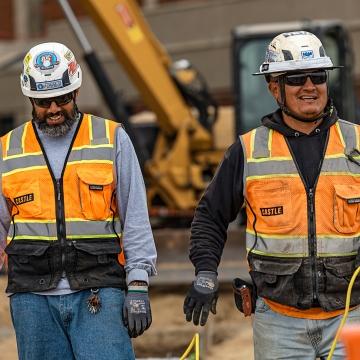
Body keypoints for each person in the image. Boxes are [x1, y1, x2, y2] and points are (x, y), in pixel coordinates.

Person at [183, 31, 360, 359]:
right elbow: (211, 216)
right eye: (296, 79)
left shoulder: (357, 143)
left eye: (317, 76)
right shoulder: (248, 151)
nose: (309, 86)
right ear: (274, 87)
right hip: (278, 321)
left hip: (351, 315)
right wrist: (206, 272)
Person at [0, 42, 157, 360]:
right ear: (30, 97)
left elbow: (135, 215)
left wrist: (138, 284)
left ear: (76, 90)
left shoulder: (111, 138)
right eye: (44, 102)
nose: (54, 109)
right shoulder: (7, 149)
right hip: (32, 297)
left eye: (63, 98)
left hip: (99, 289)